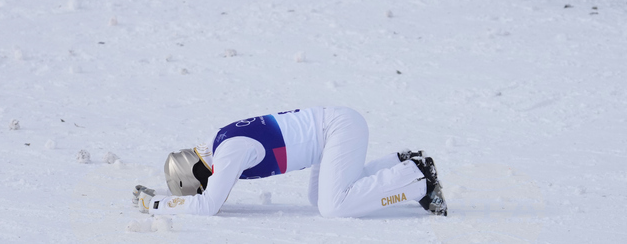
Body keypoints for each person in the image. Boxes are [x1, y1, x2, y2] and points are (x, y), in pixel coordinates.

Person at [131, 106, 446, 218]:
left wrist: (156, 205)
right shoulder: (220, 144)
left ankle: (417, 179)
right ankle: (402, 163)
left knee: (334, 207)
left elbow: (209, 206)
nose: (205, 190)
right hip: (334, 129)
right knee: (320, 198)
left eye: (198, 187)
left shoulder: (228, 153)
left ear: (195, 173)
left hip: (338, 129)